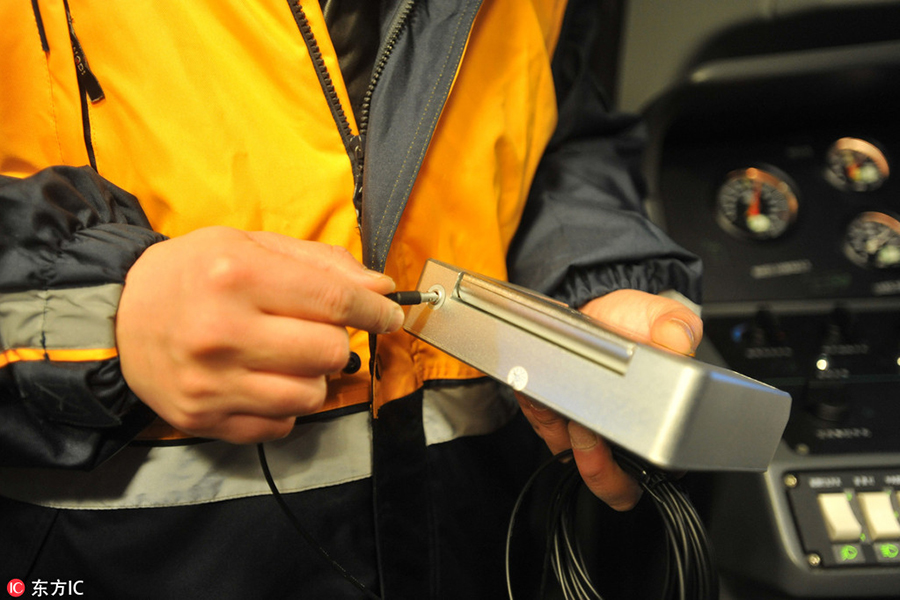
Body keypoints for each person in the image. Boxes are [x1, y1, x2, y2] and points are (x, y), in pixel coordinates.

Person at [0, 1, 703, 598]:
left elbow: (558, 124)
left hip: (486, 539)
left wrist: (593, 283)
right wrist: (100, 308)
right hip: (114, 558)